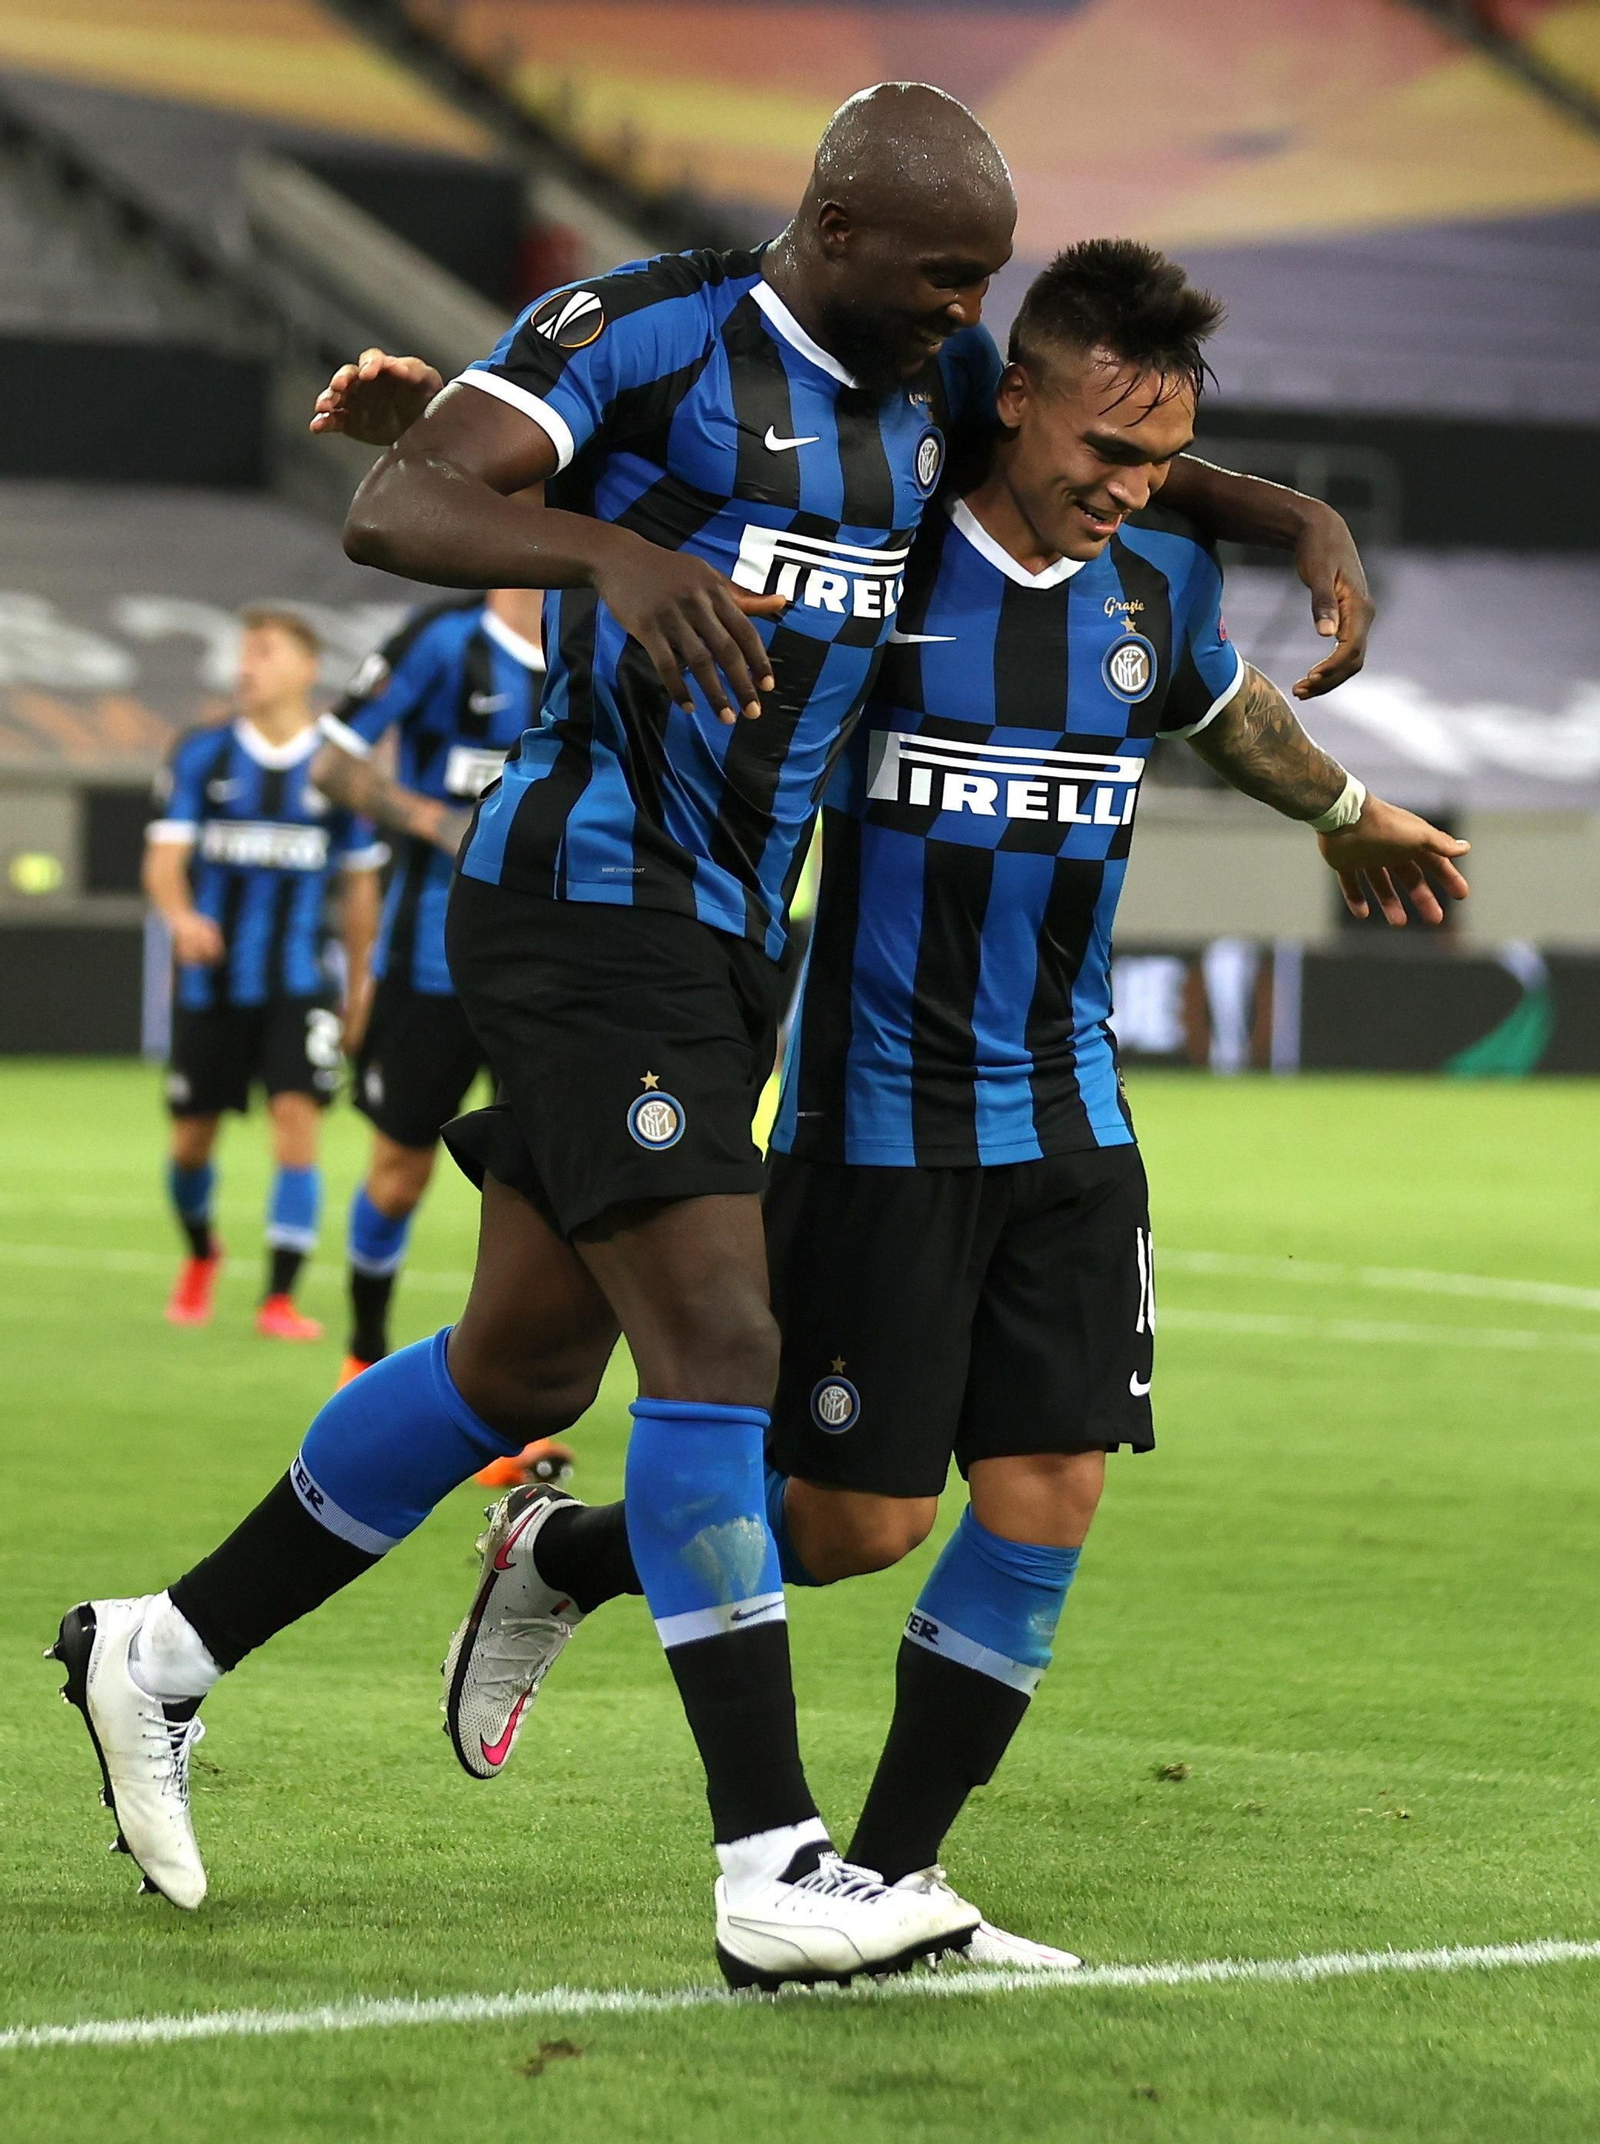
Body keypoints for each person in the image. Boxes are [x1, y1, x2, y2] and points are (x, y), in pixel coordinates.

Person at [54, 87, 1374, 1985]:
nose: (965, 320)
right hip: (587, 895)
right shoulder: (642, 331)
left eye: (983, 292)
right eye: (942, 283)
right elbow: (397, 501)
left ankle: (158, 1646)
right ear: (832, 230)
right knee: (723, 1339)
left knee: (519, 1365)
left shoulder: (931, 381)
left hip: (732, 934)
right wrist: (607, 553)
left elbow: (1098, 447)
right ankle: (773, 1859)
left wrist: (1297, 510)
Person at [435, 239, 1469, 1964]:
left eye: (1158, 464)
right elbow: (676, 526)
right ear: (1013, 401)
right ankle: (571, 1551)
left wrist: (1347, 805)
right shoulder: (888, 556)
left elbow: (1231, 717)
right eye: (1102, 454)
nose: (1126, 492)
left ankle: (897, 1876)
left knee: (1053, 1487)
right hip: (874, 1121)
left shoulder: (1154, 590)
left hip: (1069, 1115)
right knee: (857, 1524)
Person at [309, 589, 546, 1393]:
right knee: (399, 1171)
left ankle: (514, 1400)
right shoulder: (443, 640)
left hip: (554, 978)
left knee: (533, 1195)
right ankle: (364, 1350)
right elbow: (333, 762)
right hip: (430, 963)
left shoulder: (604, 632)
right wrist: (431, 817)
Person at [145, 606, 384, 1341]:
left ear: (307, 669)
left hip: (299, 981)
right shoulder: (202, 754)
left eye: (265, 652)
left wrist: (360, 985)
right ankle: (201, 1253)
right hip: (212, 985)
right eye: (244, 653)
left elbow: (360, 885)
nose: (247, 666)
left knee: (296, 1122)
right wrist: (183, 919)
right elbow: (164, 862)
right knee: (192, 1139)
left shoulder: (339, 770)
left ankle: (279, 1297)